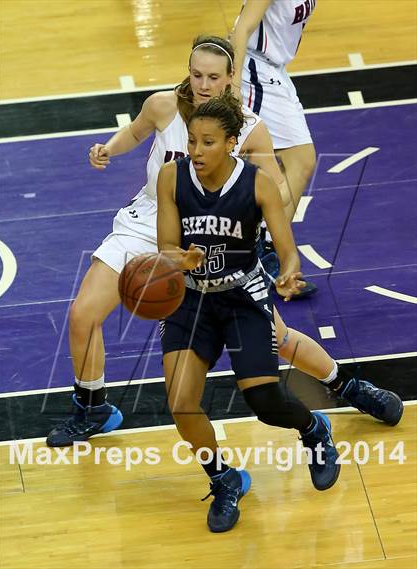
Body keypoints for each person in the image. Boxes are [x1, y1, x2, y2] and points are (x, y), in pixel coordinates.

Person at [46, 36, 403, 449]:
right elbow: (135, 132)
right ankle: (93, 407)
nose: (202, 84)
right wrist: (108, 148)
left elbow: (278, 189)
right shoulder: (163, 106)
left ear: (231, 78)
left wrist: (252, 222)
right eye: (196, 74)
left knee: (279, 338)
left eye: (213, 77)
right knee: (82, 314)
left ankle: (347, 386)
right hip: (145, 225)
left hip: (210, 239)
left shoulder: (250, 129)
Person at [156, 91, 340, 533]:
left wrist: (288, 275)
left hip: (242, 296)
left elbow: (286, 249)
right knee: (182, 406)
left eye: (208, 142)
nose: (196, 151)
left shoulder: (257, 183)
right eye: (192, 141)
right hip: (193, 299)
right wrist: (177, 260)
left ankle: (314, 429)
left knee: (265, 401)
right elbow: (164, 247)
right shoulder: (170, 177)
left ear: (232, 142)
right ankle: (224, 480)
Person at [229, 0, 318, 286]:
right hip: (252, 72)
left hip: (275, 71)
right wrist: (233, 86)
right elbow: (241, 29)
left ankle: (264, 245)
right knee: (261, 164)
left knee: (301, 163)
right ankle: (258, 249)